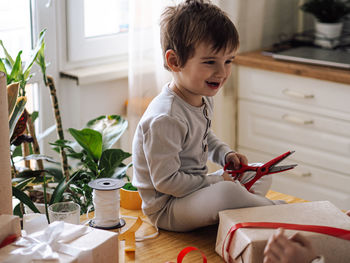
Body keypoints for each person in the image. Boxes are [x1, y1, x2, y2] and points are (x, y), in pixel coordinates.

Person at [132, 0, 283, 232]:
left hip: (194, 192)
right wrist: (215, 181)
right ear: (175, 61)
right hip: (168, 208)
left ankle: (243, 209)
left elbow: (204, 135)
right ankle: (275, 211)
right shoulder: (166, 117)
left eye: (228, 61)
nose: (221, 72)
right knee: (227, 192)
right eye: (210, 62)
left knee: (261, 172)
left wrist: (225, 154)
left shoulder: (201, 97)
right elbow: (167, 182)